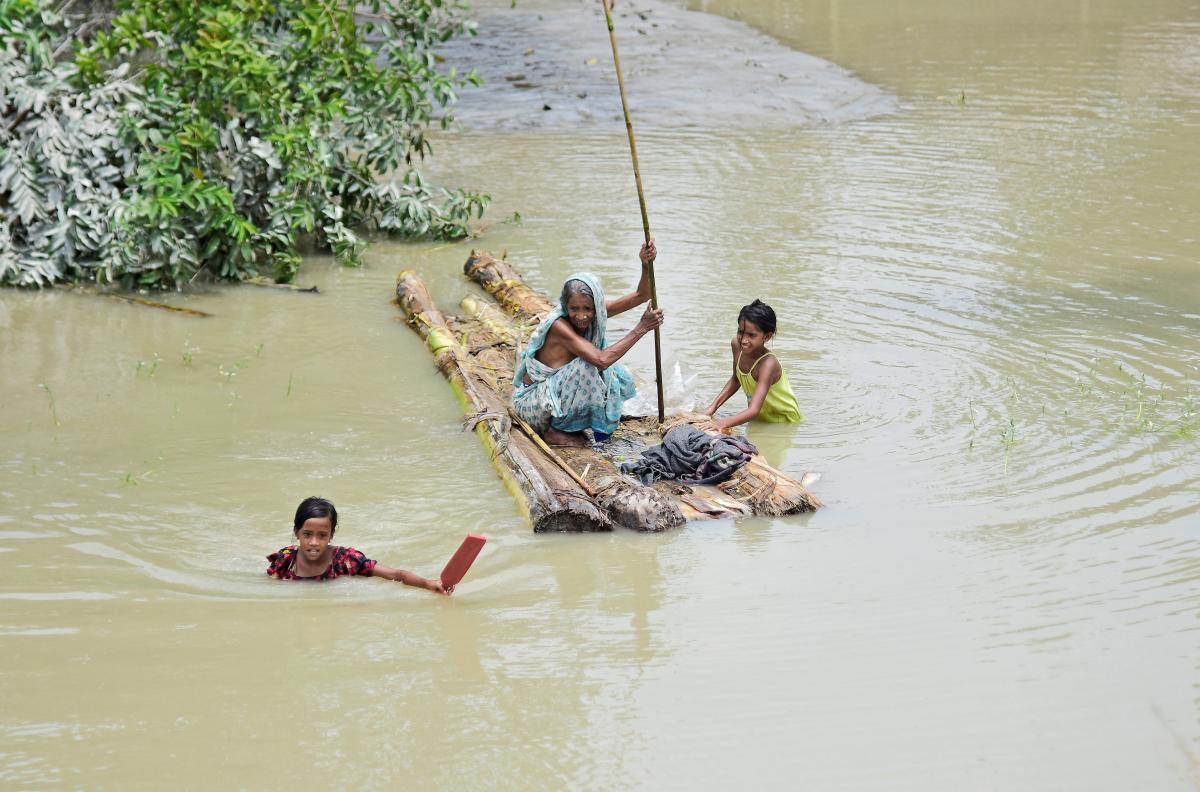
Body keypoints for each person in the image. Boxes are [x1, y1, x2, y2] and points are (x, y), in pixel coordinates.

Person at [512, 239, 665, 447]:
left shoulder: (597, 312)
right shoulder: (559, 325)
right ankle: (554, 430)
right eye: (574, 309)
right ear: (565, 306)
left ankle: (573, 424)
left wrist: (645, 265)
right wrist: (641, 328)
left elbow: (642, 295)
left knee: (617, 373)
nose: (581, 316)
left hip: (549, 398)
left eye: (588, 309)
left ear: (596, 306)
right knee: (589, 365)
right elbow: (601, 360)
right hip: (531, 405)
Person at [266, 497, 451, 594]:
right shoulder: (285, 560)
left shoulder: (346, 560)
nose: (314, 542)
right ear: (296, 532)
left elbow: (396, 575)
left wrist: (429, 584)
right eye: (307, 534)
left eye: (322, 535)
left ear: (331, 535)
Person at [698, 299, 801, 432]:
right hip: (759, 418)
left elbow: (754, 410)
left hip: (782, 422)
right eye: (740, 332)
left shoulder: (768, 364)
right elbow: (736, 379)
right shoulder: (736, 345)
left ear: (767, 337)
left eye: (751, 335)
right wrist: (712, 408)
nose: (743, 340)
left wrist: (721, 423)